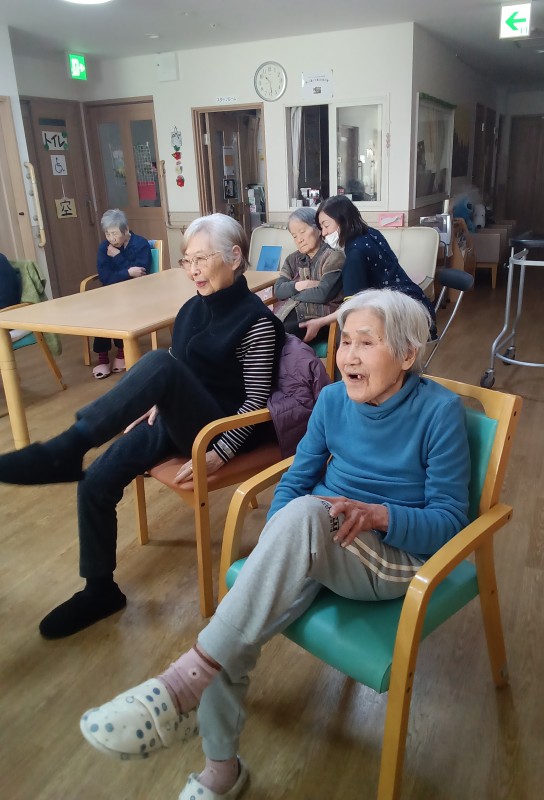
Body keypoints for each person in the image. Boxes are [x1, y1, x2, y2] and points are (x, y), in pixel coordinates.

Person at [78, 288, 470, 800]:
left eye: (366, 342)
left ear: (407, 354)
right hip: (322, 537)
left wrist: (379, 515)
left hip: (393, 559)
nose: (348, 355)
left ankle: (180, 687)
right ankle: (221, 770)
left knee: (301, 520)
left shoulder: (440, 412)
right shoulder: (332, 400)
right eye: (344, 341)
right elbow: (296, 479)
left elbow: (450, 521)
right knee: (234, 626)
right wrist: (278, 545)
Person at [0, 213, 290, 639]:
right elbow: (180, 368)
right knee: (95, 480)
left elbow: (255, 401)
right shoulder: (191, 308)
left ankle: (66, 447)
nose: (192, 270)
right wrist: (154, 399)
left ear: (234, 257)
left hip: (222, 431)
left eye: (201, 259)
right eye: (187, 260)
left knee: (157, 362)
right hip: (182, 420)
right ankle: (100, 589)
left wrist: (221, 451)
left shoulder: (258, 321)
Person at [301, 195, 436, 343]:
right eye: (321, 228)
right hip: (419, 307)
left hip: (405, 322)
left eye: (326, 225)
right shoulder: (371, 233)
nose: (324, 233)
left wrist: (320, 322)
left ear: (343, 220)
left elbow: (352, 306)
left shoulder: (355, 254)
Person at [93, 209, 153, 379]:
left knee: (120, 307)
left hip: (137, 292)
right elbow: (105, 277)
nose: (111, 239)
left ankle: (122, 351)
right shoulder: (104, 248)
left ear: (125, 230)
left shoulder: (140, 244)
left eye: (114, 234)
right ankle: (103, 356)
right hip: (111, 292)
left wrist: (119, 257)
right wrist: (127, 272)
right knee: (101, 310)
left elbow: (140, 273)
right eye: (107, 234)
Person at [273, 207, 344, 341]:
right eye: (294, 236)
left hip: (318, 320)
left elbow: (323, 294)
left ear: (318, 229)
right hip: (288, 314)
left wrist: (291, 295)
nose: (299, 239)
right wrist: (303, 285)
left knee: (276, 335)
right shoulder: (292, 259)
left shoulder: (334, 257)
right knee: (261, 329)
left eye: (302, 232)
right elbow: (278, 290)